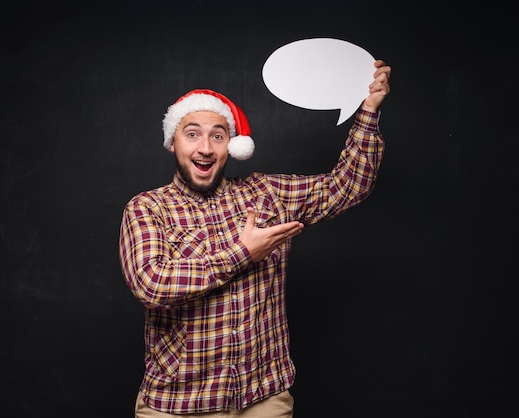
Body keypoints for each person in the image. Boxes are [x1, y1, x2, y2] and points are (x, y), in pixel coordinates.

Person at [119, 59, 392, 417]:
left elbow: (347, 186)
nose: (205, 148)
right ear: (173, 143)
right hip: (178, 405)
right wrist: (243, 253)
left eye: (217, 135)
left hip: (263, 400)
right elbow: (152, 284)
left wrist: (368, 112)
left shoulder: (266, 193)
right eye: (192, 134)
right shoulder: (148, 208)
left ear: (231, 145)